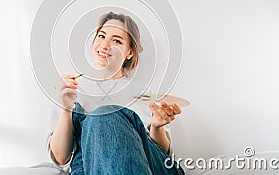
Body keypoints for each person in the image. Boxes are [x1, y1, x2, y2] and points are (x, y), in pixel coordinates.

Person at [47, 11, 185, 174]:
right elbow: (61, 159)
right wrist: (66, 108)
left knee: (106, 114)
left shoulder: (143, 93)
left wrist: (156, 126)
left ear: (129, 52)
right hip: (89, 168)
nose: (105, 45)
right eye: (101, 36)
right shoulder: (71, 90)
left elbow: (162, 155)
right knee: (102, 116)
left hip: (151, 166)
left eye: (117, 41)